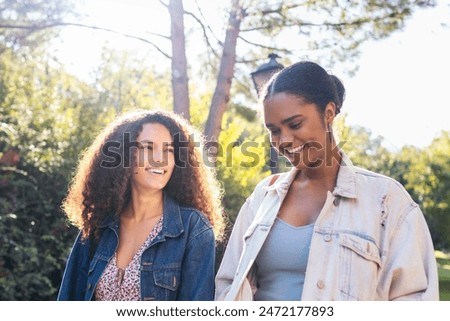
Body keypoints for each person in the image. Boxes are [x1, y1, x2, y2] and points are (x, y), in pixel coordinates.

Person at [215, 61, 439, 301]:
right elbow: (229, 283)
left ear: (329, 113)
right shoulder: (263, 196)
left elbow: (415, 297)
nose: (284, 140)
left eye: (295, 124)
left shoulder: (385, 199)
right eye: (274, 130)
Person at [57, 109, 225, 301]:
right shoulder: (99, 224)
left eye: (168, 150)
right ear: (125, 155)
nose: (160, 159)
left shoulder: (193, 229)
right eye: (148, 148)